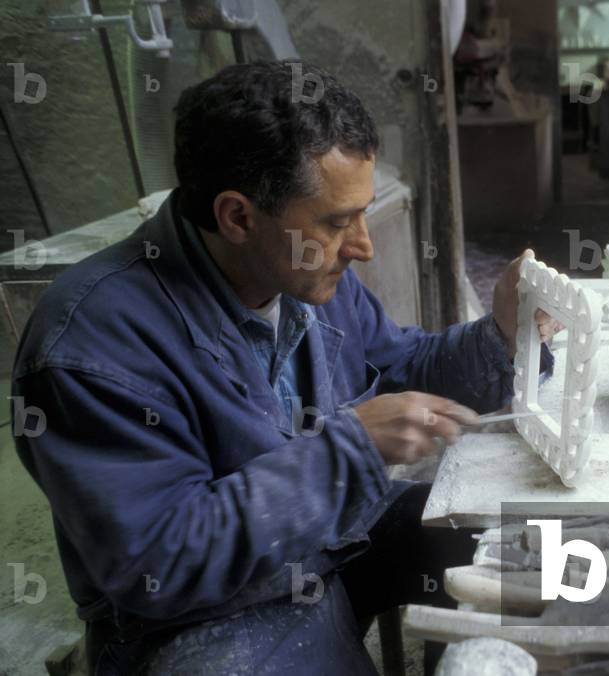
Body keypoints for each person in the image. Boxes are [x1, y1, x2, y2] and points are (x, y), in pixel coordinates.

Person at [11, 60, 556, 674]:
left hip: (336, 536)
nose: (363, 246)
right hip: (207, 612)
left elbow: (402, 364)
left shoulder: (300, 269)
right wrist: (348, 451)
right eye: (335, 220)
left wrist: (502, 335)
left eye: (362, 213)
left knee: (520, 552)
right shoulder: (87, 347)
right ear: (238, 216)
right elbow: (157, 563)